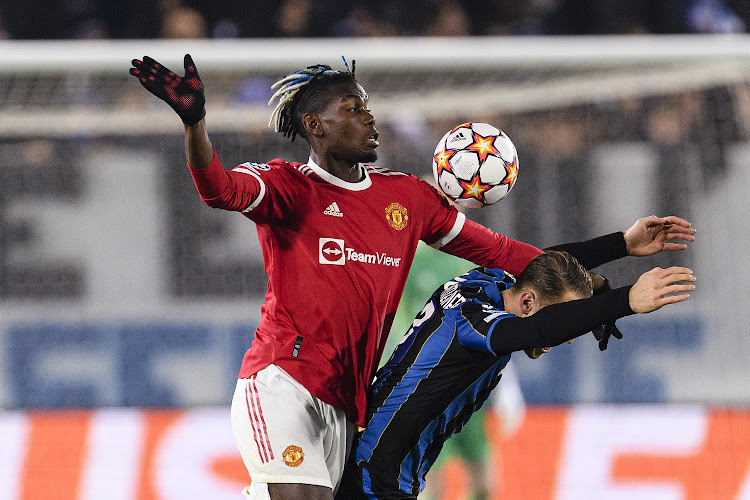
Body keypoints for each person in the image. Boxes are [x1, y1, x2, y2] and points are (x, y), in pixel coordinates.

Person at [128, 54, 695, 499]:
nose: (369, 116)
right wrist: (195, 125)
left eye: (368, 106)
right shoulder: (287, 187)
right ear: (315, 126)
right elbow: (219, 190)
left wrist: (621, 245)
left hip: (350, 401)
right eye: (353, 109)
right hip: (284, 380)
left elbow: (514, 256)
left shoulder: (406, 199)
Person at [336, 249, 696, 499]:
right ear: (527, 303)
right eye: (561, 323)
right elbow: (538, 331)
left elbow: (541, 262)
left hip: (377, 463)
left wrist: (621, 246)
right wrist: (627, 300)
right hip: (375, 475)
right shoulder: (477, 322)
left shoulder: (484, 284)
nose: (566, 337)